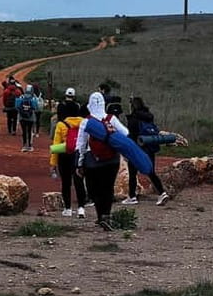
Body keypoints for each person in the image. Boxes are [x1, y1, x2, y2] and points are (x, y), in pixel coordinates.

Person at [75, 92, 129, 231]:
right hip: (112, 159)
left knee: (94, 189)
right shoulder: (111, 119)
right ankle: (107, 215)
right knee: (108, 187)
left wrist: (79, 163)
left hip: (92, 160)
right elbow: (125, 133)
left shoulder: (86, 121)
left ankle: (101, 216)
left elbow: (81, 144)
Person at [123, 96, 170, 206]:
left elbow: (131, 136)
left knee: (132, 172)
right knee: (150, 171)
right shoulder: (148, 117)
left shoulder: (133, 119)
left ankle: (132, 196)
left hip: (137, 149)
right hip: (150, 147)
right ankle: (162, 193)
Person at [50, 104, 86, 218]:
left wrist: (53, 164)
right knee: (79, 182)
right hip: (79, 155)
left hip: (64, 156)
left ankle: (68, 209)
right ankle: (81, 208)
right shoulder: (83, 123)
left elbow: (56, 145)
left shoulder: (61, 124)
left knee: (66, 183)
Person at [15, 85, 39, 152]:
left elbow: (17, 106)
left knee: (24, 131)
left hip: (22, 117)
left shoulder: (21, 97)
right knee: (29, 131)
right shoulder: (33, 98)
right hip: (31, 117)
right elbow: (36, 107)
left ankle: (24, 145)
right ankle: (30, 146)